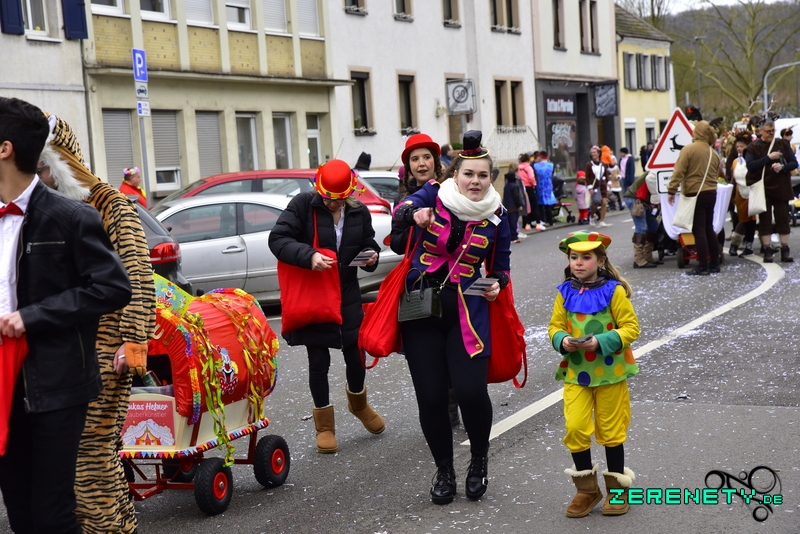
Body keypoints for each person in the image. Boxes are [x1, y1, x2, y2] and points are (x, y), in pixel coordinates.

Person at [0, 97, 132, 533]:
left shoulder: (70, 216)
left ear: (5, 149)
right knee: (18, 510)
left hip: (55, 383)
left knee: (52, 513)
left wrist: (32, 316)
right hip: (2, 381)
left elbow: (113, 287)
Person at [38, 114, 156, 534]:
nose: (39, 178)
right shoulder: (48, 209)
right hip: (68, 348)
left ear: (63, 162)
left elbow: (138, 274)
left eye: (44, 167)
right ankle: (118, 526)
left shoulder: (111, 204)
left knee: (88, 452)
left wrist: (133, 342)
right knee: (97, 452)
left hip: (107, 348)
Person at [392, 130, 511, 505]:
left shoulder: (498, 215)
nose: (475, 181)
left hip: (468, 311)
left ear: (490, 178)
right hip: (422, 308)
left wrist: (497, 284)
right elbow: (400, 211)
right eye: (468, 174)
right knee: (430, 398)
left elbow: (501, 267)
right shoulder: (433, 194)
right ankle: (444, 469)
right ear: (454, 175)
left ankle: (479, 461)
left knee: (470, 391)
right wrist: (414, 214)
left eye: (482, 175)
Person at [269, 159, 384, 454]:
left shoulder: (358, 211)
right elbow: (277, 240)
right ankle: (324, 426)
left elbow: (369, 242)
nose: (333, 203)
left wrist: (371, 256)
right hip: (316, 296)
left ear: (350, 193)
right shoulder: (302, 205)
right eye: (328, 198)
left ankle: (358, 404)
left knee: (356, 356)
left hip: (347, 294)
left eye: (339, 199)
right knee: (319, 362)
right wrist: (308, 256)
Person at [548, 230, 640, 518]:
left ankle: (617, 489)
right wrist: (562, 339)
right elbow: (554, 326)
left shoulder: (614, 291)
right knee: (575, 428)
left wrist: (600, 341)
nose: (578, 262)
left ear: (600, 261)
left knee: (611, 432)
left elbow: (631, 328)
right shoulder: (564, 292)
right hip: (577, 374)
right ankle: (586, 491)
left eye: (586, 257)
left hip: (611, 373)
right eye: (574, 257)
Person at [667, 120, 723, 275]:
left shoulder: (689, 150)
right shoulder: (714, 153)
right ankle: (714, 263)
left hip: (695, 193)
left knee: (698, 230)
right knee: (709, 228)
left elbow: (679, 172)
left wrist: (671, 190)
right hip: (711, 193)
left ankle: (703, 266)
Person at [744, 119, 797, 262]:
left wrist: (782, 167)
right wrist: (769, 158)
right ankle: (767, 249)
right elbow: (750, 166)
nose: (771, 134)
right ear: (760, 131)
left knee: (783, 219)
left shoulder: (782, 144)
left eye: (773, 131)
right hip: (763, 188)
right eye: (768, 131)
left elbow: (794, 163)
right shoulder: (753, 147)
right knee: (765, 220)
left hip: (781, 187)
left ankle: (785, 249)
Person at [391, 133, 444, 254]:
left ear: (435, 160)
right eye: (415, 159)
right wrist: (416, 222)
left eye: (427, 157)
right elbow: (396, 245)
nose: (421, 163)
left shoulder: (449, 191)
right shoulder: (402, 201)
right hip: (418, 264)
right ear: (409, 166)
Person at [726, 131, 756, 257]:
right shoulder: (735, 161)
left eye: (742, 146)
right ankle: (735, 244)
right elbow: (733, 178)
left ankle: (748, 245)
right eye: (737, 146)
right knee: (742, 219)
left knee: (752, 220)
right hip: (740, 192)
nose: (739, 148)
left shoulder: (754, 159)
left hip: (752, 191)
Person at [624, 172, 661, 268]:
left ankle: (647, 256)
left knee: (653, 226)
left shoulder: (655, 171)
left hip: (642, 200)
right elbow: (650, 180)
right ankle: (638, 259)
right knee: (641, 227)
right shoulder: (654, 172)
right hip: (635, 198)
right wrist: (657, 200)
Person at [585, 146, 611, 227]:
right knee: (596, 203)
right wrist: (590, 187)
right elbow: (587, 177)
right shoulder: (589, 165)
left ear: (599, 153)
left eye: (594, 152)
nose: (593, 154)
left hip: (603, 186)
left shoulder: (603, 164)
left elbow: (606, 174)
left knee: (604, 202)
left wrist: (608, 182)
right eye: (592, 153)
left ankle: (602, 221)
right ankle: (592, 216)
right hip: (594, 187)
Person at [503, 164, 525, 243]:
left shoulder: (506, 186)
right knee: (514, 222)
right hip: (514, 207)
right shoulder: (515, 186)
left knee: (510, 222)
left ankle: (511, 236)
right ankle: (514, 236)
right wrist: (520, 205)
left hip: (508, 207)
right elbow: (516, 197)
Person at [534, 151, 558, 227]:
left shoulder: (535, 166)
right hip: (548, 185)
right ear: (547, 157)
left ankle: (542, 220)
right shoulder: (551, 165)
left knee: (540, 204)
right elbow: (553, 176)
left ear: (540, 156)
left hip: (539, 185)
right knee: (548, 203)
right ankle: (550, 221)